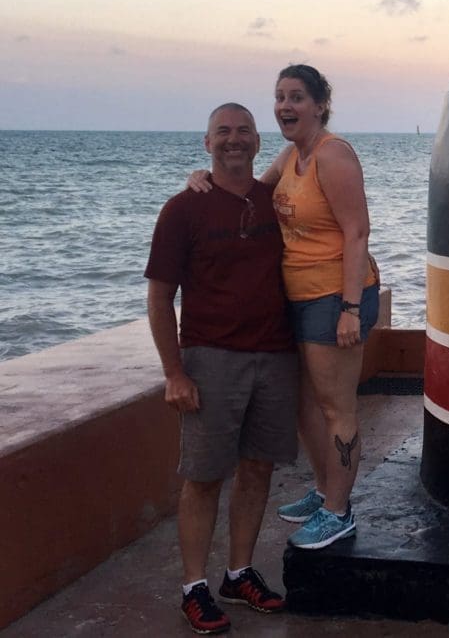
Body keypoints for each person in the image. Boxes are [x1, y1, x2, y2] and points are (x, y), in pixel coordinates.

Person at [189, 64, 380, 550]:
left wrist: (351, 309)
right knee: (304, 404)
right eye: (279, 97)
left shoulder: (333, 156)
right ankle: (324, 491)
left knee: (336, 407)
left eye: (296, 97)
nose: (285, 106)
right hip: (297, 295)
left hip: (337, 295)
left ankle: (339, 511)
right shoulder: (293, 156)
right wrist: (203, 180)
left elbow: (357, 232)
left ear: (319, 105)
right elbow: (252, 190)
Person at [147, 103, 297, 635]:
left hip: (276, 358)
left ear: (258, 142)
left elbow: (310, 164)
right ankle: (194, 586)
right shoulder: (182, 209)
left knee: (258, 469)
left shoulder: (273, 201)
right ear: (206, 142)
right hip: (210, 359)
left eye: (243, 132)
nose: (234, 140)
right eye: (223, 132)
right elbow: (161, 297)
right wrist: (174, 372)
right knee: (204, 477)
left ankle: (238, 574)